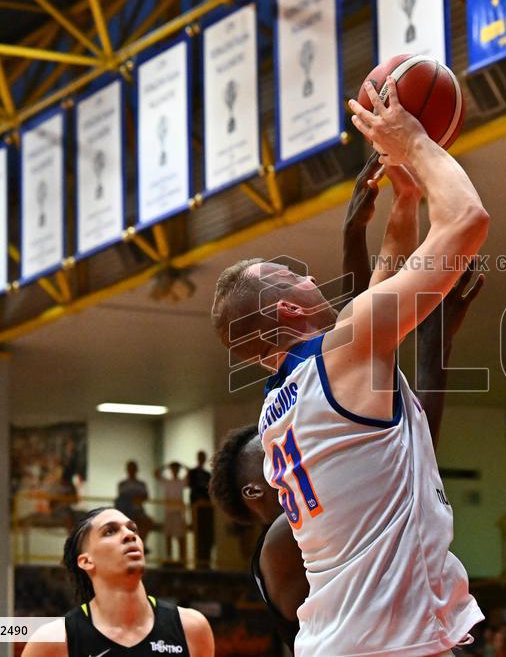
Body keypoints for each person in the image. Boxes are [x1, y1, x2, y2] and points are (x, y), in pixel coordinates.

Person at [209, 120, 487, 653]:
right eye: (299, 277)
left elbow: (384, 281)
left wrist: (404, 200)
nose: (313, 279)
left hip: (343, 642)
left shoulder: (280, 405)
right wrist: (417, 143)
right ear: (290, 308)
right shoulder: (344, 353)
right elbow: (468, 220)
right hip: (390, 645)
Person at [22, 507, 213, 656]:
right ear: (86, 561)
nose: (130, 535)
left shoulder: (192, 628)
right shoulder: (53, 640)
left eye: (132, 529)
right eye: (110, 531)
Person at [154, 462, 187, 564]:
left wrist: (182, 466)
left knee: (180, 537)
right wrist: (166, 466)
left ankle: (182, 560)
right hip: (168, 512)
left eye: (176, 469)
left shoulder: (182, 482)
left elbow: (190, 474)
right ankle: (169, 559)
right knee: (168, 536)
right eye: (173, 469)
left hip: (178, 512)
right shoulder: (167, 482)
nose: (174, 471)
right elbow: (155, 473)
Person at [114, 461, 152, 544]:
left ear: (136, 470)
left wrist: (137, 498)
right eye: (130, 469)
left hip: (138, 511)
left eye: (133, 469)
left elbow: (145, 496)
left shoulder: (141, 484)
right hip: (125, 512)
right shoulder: (122, 484)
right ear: (127, 470)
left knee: (147, 522)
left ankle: (141, 543)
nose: (131, 471)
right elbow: (121, 498)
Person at [186, 451, 213, 568]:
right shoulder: (192, 473)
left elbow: (210, 491)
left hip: (207, 507)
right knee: (198, 533)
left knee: (207, 534)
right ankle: (199, 562)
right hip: (196, 508)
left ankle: (206, 561)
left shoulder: (208, 474)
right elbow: (190, 487)